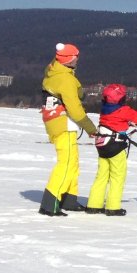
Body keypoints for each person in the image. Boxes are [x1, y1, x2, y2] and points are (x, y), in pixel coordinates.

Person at [85, 83, 137, 216]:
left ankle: (94, 205)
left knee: (102, 176)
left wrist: (126, 123)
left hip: (102, 146)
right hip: (115, 147)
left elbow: (115, 120)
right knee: (117, 177)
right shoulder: (124, 111)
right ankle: (113, 207)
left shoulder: (105, 109)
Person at [40, 42, 99, 216]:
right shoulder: (65, 79)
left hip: (60, 123)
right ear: (69, 60)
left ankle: (68, 200)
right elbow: (74, 108)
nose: (78, 59)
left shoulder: (56, 71)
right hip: (62, 124)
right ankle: (49, 204)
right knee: (65, 164)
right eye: (75, 57)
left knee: (73, 163)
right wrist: (90, 127)